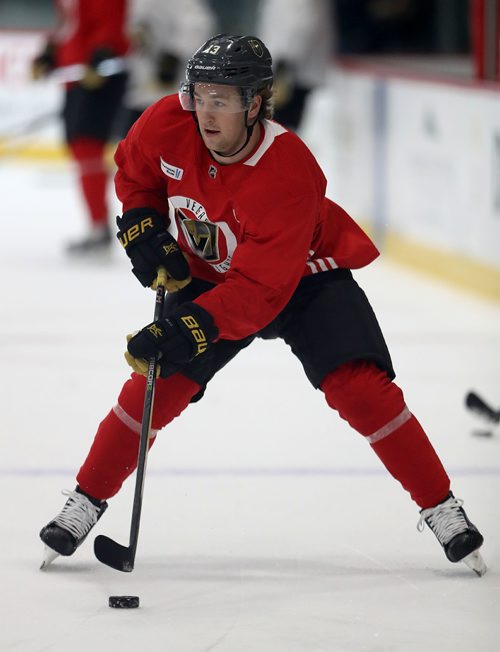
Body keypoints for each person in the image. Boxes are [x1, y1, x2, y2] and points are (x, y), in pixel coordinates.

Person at [40, 34, 486, 576]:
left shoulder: (287, 172)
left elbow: (259, 292)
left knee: (360, 387)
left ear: (255, 104)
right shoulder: (166, 121)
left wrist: (190, 326)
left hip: (303, 279)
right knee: (155, 385)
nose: (205, 112)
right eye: (200, 95)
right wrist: (144, 228)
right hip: (210, 276)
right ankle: (85, 500)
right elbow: (137, 176)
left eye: (222, 99)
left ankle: (442, 507)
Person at [32, 0, 129, 255]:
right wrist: (51, 52)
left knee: (87, 148)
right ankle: (97, 225)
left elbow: (109, 18)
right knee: (80, 149)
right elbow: (69, 23)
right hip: (75, 72)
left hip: (98, 73)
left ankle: (99, 227)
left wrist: (102, 54)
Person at [117, 0, 216, 135]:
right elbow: (135, 21)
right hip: (142, 84)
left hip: (172, 86)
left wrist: (174, 55)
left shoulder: (185, 5)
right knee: (135, 137)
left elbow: (197, 25)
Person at [256, 0, 334, 131]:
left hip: (293, 73)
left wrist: (285, 63)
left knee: (282, 125)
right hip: (287, 69)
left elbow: (304, 25)